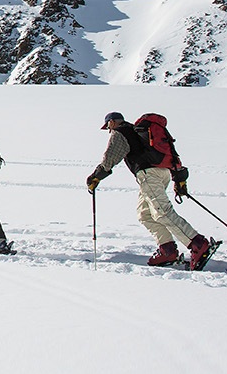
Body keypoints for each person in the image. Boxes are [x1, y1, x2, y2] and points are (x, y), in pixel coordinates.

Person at [87, 111, 215, 268]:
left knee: (162, 212)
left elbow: (110, 158)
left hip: (148, 175)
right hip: (163, 173)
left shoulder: (120, 132)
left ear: (112, 122)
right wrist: (179, 179)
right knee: (145, 214)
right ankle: (167, 250)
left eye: (107, 125)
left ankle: (197, 244)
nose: (108, 129)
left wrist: (95, 177)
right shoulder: (141, 133)